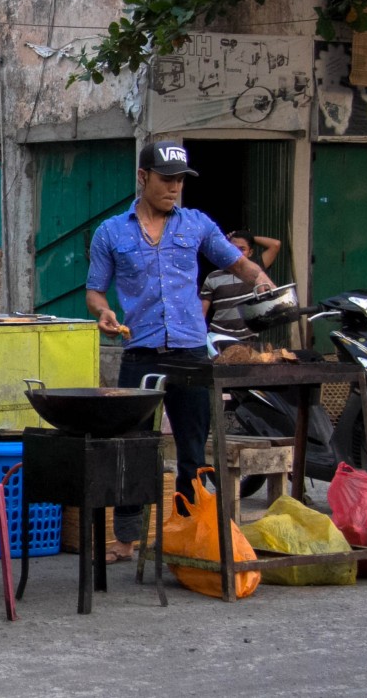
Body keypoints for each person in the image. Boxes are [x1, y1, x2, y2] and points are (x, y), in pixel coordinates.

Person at [86, 140, 276, 563]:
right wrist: (103, 313)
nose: (174, 188)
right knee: (132, 446)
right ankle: (126, 540)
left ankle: (190, 533)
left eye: (179, 181)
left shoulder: (197, 225)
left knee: (193, 447)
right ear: (143, 178)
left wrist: (259, 277)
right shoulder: (111, 232)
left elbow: (235, 263)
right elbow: (95, 291)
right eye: (166, 179)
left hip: (191, 353)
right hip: (140, 353)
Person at [200, 230, 283, 341]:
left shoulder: (256, 273)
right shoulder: (212, 277)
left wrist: (249, 237)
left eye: (242, 249)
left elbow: (275, 245)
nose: (236, 253)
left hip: (249, 338)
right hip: (219, 337)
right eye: (232, 248)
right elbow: (202, 313)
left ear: (250, 252)